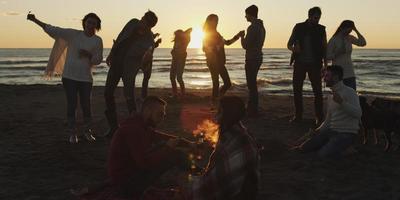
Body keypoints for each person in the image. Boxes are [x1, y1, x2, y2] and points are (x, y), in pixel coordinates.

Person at [73, 96, 195, 199]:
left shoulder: (142, 125)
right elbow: (144, 163)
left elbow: (162, 137)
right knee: (174, 155)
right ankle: (201, 178)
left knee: (168, 148)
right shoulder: (134, 130)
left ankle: (201, 176)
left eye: (163, 115)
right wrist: (168, 148)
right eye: (160, 114)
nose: (162, 118)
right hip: (127, 182)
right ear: (148, 111)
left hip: (128, 173)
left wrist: (189, 143)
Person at [27, 12, 103, 143]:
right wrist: (35, 20)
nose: (90, 25)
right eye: (88, 22)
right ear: (84, 22)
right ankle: (72, 133)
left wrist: (89, 55)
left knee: (86, 106)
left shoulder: (97, 40)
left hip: (85, 79)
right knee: (72, 105)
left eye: (93, 23)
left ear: (97, 26)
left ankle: (87, 131)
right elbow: (53, 29)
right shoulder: (73, 34)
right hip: (69, 77)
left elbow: (98, 60)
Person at [185, 96, 260, 199]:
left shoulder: (238, 140)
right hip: (237, 189)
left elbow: (219, 181)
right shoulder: (235, 132)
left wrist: (192, 187)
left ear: (227, 115)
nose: (216, 114)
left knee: (184, 184)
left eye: (219, 111)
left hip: (237, 194)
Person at [104, 11, 158, 137]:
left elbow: (147, 60)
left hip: (129, 69)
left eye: (145, 21)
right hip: (116, 63)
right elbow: (120, 36)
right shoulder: (132, 22)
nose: (141, 21)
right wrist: (111, 53)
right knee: (107, 93)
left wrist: (145, 70)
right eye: (143, 18)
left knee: (129, 97)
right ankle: (113, 127)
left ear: (150, 26)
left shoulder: (149, 40)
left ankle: (137, 127)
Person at [299, 65, 362, 158]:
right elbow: (328, 120)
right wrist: (317, 131)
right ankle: (334, 146)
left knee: (322, 155)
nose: (324, 79)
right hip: (331, 131)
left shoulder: (350, 92)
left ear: (336, 77)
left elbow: (358, 114)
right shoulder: (331, 96)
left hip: (346, 134)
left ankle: (348, 149)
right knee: (303, 148)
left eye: (327, 76)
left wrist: (342, 103)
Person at [287, 7, 327, 126]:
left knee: (318, 91)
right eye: (315, 18)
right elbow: (288, 44)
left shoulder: (321, 29)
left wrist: (325, 64)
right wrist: (294, 48)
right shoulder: (299, 27)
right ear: (309, 16)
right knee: (297, 90)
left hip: (315, 64)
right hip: (299, 63)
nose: (317, 20)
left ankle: (319, 117)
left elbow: (325, 47)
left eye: (319, 18)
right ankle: (298, 116)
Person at [203, 14, 243, 104]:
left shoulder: (217, 34)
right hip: (212, 62)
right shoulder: (207, 34)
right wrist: (217, 47)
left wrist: (238, 36)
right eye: (215, 20)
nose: (216, 22)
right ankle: (215, 102)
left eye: (217, 20)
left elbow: (227, 43)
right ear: (209, 21)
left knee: (227, 83)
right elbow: (204, 48)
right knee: (216, 83)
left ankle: (217, 99)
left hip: (220, 62)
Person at [239, 5, 266, 117]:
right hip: (258, 56)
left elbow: (246, 45)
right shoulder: (261, 27)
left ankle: (252, 109)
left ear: (250, 14)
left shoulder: (252, 28)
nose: (245, 17)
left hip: (252, 58)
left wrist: (242, 36)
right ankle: (252, 107)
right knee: (252, 84)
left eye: (246, 14)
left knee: (251, 84)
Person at [326, 20, 367, 90]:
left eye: (351, 30)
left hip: (350, 72)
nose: (349, 32)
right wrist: (337, 53)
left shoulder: (349, 38)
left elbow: (363, 43)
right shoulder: (333, 40)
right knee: (340, 96)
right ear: (342, 28)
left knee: (352, 93)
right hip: (338, 73)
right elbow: (327, 56)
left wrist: (356, 30)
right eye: (348, 30)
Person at [170, 28, 192, 97]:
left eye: (177, 34)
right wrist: (173, 52)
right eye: (176, 35)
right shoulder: (176, 41)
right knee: (172, 77)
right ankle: (175, 93)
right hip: (175, 58)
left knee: (179, 77)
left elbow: (190, 29)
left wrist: (183, 33)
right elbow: (174, 49)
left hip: (181, 59)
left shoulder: (185, 40)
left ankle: (183, 93)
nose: (176, 36)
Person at [141, 33, 162, 99]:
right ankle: (144, 95)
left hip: (146, 58)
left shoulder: (147, 39)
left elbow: (151, 46)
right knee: (146, 77)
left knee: (146, 77)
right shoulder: (148, 38)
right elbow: (150, 47)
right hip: (147, 59)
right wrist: (156, 42)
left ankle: (144, 94)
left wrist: (156, 42)